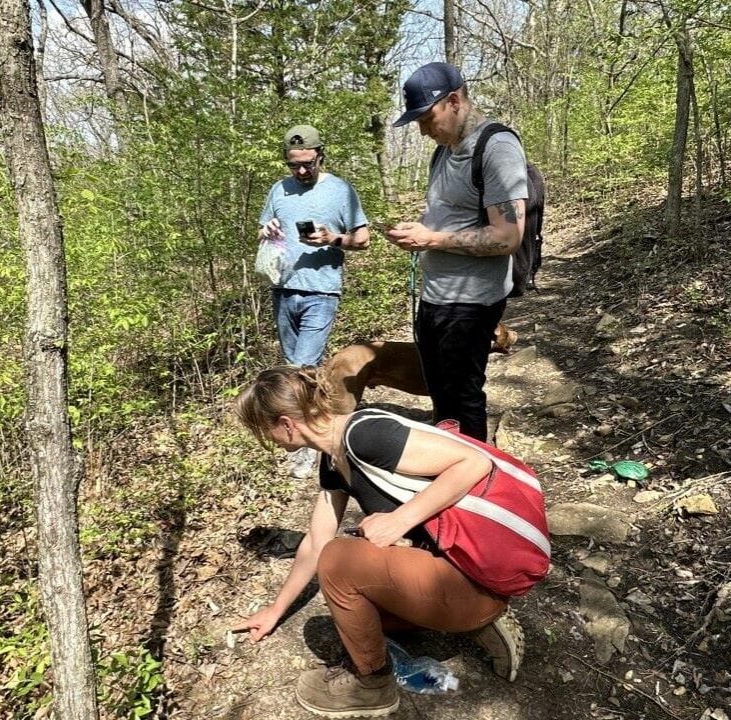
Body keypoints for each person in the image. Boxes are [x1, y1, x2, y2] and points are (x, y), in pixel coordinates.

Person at [233, 366, 525, 719]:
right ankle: (481, 622)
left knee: (340, 561)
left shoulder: (365, 434)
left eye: (265, 432)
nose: (269, 442)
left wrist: (399, 521)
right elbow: (315, 540)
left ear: (286, 423)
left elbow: (474, 462)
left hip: (472, 577)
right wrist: (275, 610)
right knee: (354, 615)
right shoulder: (333, 459)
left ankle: (371, 685)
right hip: (451, 575)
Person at [387, 63, 528, 442]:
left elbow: (508, 237)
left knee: (464, 400)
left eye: (427, 117)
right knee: (442, 398)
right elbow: (449, 216)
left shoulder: (496, 147)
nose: (421, 129)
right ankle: (450, 475)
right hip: (435, 297)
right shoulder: (444, 152)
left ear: (454, 101)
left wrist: (430, 239)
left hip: (470, 303)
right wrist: (415, 234)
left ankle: (478, 483)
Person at [258, 124, 371, 478]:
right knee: (292, 365)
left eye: (308, 163)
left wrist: (333, 239)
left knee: (302, 367)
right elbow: (264, 226)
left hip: (321, 290)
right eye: (295, 165)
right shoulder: (279, 189)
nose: (302, 171)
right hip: (282, 287)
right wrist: (267, 230)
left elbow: (364, 239)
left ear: (320, 155)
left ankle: (308, 444)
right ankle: (309, 428)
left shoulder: (340, 191)